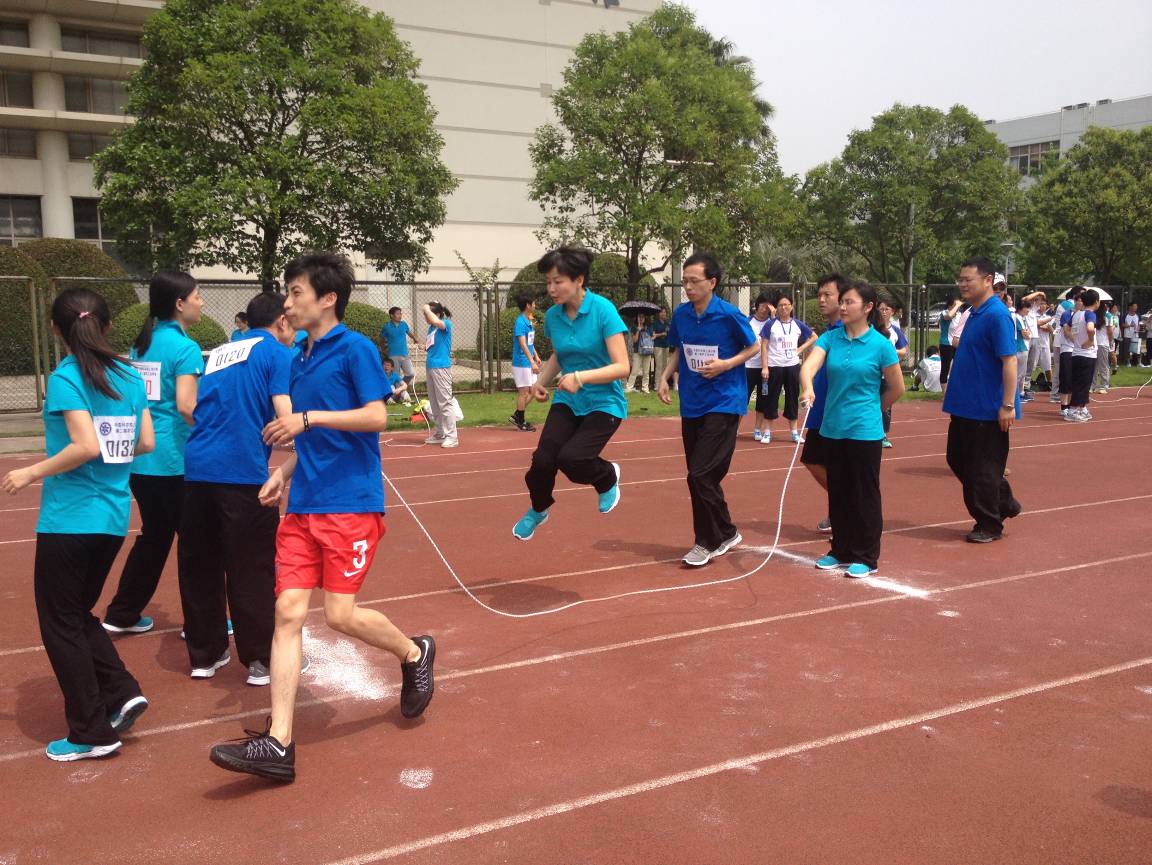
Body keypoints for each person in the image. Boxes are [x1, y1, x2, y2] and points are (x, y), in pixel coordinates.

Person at [209, 252, 434, 783]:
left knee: (339, 615)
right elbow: (310, 438)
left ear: (328, 298)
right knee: (287, 613)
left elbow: (377, 416)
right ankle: (279, 743)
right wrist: (284, 472)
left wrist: (307, 419)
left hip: (350, 504)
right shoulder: (297, 358)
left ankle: (413, 652)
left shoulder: (356, 349)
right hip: (303, 506)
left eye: (296, 293)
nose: (287, 303)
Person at [2, 288, 154, 761]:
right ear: (106, 326)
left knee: (59, 622)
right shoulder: (129, 375)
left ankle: (91, 731)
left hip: (69, 519)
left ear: (56, 330)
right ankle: (121, 691)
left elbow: (85, 445)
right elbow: (146, 442)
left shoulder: (67, 377)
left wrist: (30, 471)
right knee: (75, 614)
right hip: (112, 517)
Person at [177, 291, 297, 686]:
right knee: (252, 566)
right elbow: (284, 410)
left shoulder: (220, 353)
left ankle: (205, 655)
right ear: (281, 321)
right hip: (242, 473)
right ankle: (262, 658)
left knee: (200, 564)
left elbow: (198, 406)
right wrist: (305, 439)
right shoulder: (277, 353)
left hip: (197, 469)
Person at [102, 272, 203, 635]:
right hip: (172, 460)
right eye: (197, 296)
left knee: (155, 537)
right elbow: (187, 407)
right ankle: (201, 625)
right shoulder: (186, 349)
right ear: (179, 303)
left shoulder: (141, 345)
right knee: (195, 543)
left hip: (141, 457)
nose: (201, 302)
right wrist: (221, 430)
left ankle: (122, 613)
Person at [512, 246, 629, 541]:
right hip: (568, 400)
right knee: (542, 462)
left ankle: (607, 477)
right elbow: (560, 355)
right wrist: (541, 382)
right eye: (548, 282)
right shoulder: (553, 316)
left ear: (578, 280)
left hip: (604, 403)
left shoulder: (603, 310)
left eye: (558, 281)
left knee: (573, 460)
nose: (551, 289)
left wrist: (580, 377)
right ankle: (539, 509)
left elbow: (622, 367)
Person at [657, 252, 758, 566]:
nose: (688, 287)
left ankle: (707, 541)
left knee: (700, 473)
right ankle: (724, 532)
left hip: (725, 401)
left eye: (694, 281)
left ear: (712, 282)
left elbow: (754, 346)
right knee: (699, 476)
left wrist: (726, 364)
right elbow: (679, 349)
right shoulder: (682, 315)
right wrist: (664, 376)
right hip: (692, 403)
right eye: (684, 281)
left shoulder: (728, 314)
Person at [799, 280, 903, 577]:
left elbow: (897, 387)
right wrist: (807, 387)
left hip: (864, 431)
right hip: (832, 428)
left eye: (849, 302)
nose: (842, 307)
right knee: (839, 491)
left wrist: (873, 410)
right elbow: (808, 367)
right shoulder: (831, 339)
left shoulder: (881, 345)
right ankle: (840, 549)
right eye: (841, 302)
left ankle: (866, 555)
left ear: (868, 307)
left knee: (864, 493)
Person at [942, 256, 1021, 544]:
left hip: (987, 407)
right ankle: (1003, 500)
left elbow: (1009, 361)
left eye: (968, 280)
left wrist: (1007, 405)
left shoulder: (997, 315)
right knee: (957, 458)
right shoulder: (973, 312)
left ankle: (989, 523)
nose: (962, 284)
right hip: (965, 404)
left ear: (988, 280)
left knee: (983, 469)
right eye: (960, 280)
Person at [799, 274, 846, 534]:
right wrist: (808, 387)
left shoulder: (848, 333)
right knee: (813, 459)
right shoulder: (829, 334)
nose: (821, 299)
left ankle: (845, 507)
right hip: (821, 411)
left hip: (839, 414)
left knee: (834, 465)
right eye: (819, 295)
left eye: (828, 294)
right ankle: (841, 504)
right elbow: (809, 366)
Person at [759, 294, 814, 444]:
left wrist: (800, 348)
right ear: (776, 308)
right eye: (780, 305)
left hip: (792, 366)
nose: (783, 307)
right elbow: (764, 346)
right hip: (775, 366)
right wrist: (765, 367)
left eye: (786, 304)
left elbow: (814, 337)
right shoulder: (770, 325)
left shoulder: (797, 324)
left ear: (792, 306)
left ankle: (794, 433)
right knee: (771, 398)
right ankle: (767, 432)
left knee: (792, 398)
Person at [422, 301, 457, 448]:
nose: (426, 317)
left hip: (441, 367)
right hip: (431, 366)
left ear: (436, 314)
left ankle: (452, 436)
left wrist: (426, 309)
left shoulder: (445, 324)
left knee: (445, 402)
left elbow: (438, 322)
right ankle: (440, 433)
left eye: (428, 314)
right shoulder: (431, 328)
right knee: (435, 403)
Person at [1063, 288, 1100, 422]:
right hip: (1086, 355)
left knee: (1082, 383)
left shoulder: (1077, 314)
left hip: (1077, 353)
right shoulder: (1090, 314)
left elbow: (1067, 327)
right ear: (1096, 302)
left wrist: (1075, 339)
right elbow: (1090, 328)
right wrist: (1090, 340)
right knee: (1082, 384)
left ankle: (1082, 407)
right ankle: (1073, 410)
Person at [877, 297, 908, 448]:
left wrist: (890, 351)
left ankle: (883, 434)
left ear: (892, 312)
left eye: (886, 309)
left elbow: (903, 351)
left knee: (885, 405)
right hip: (873, 374)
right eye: (881, 309)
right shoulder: (871, 328)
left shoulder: (895, 331)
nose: (883, 312)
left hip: (888, 375)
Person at [744, 294, 775, 441]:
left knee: (763, 398)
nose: (765, 309)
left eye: (768, 306)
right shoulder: (748, 321)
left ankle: (757, 429)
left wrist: (774, 316)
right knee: (743, 397)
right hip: (748, 366)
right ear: (757, 306)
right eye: (762, 305)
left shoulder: (772, 323)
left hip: (765, 369)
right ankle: (734, 429)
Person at [509, 293, 541, 431]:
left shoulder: (529, 320)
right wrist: (531, 361)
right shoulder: (520, 322)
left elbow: (529, 342)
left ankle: (517, 415)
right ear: (528, 305)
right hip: (521, 362)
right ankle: (520, 421)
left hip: (528, 360)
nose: (535, 305)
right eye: (533, 303)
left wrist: (536, 356)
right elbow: (522, 343)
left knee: (534, 390)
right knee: (524, 392)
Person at [1055, 287, 1085, 413]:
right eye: (1080, 300)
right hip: (1067, 349)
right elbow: (1067, 332)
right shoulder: (1067, 314)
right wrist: (1078, 342)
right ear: (1075, 301)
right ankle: (1064, 406)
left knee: (1077, 379)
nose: (1082, 303)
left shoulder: (1084, 315)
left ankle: (1075, 405)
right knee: (1066, 378)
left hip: (1079, 351)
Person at [379, 307, 418, 402]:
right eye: (397, 314)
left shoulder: (404, 324)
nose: (400, 315)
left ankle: (401, 391)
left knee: (410, 373)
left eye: (400, 313)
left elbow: (409, 333)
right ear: (391, 315)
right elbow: (382, 340)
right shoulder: (387, 327)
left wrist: (415, 338)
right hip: (393, 355)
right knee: (396, 376)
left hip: (405, 354)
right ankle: (397, 397)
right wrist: (383, 350)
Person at [625, 312, 655, 393]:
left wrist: (651, 337)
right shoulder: (634, 328)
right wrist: (638, 330)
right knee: (634, 370)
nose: (641, 319)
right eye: (639, 317)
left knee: (646, 371)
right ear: (637, 318)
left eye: (642, 317)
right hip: (637, 351)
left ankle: (645, 388)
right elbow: (634, 340)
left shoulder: (648, 328)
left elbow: (653, 337)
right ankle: (629, 387)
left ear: (644, 318)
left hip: (647, 351)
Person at [938, 292, 963, 389]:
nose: (958, 307)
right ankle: (944, 393)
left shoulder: (960, 315)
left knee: (958, 367)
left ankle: (955, 390)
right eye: (954, 304)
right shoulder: (944, 313)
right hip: (946, 344)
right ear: (949, 305)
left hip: (957, 344)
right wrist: (956, 305)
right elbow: (948, 316)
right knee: (945, 368)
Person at [1011, 299, 1032, 403]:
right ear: (1021, 308)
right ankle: (1015, 396)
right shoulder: (1017, 318)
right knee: (1019, 374)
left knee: (1020, 374)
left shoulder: (1021, 318)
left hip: (1020, 347)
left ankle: (1019, 393)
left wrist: (1028, 334)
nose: (1028, 310)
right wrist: (1028, 334)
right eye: (1027, 308)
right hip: (1020, 347)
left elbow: (1028, 333)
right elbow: (1026, 334)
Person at [1092, 299, 1114, 393]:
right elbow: (1110, 331)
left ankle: (1092, 386)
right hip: (1103, 343)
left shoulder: (1093, 314)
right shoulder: (1108, 315)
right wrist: (1111, 341)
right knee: (1103, 365)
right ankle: (1103, 386)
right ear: (1105, 305)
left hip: (1094, 342)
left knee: (1094, 366)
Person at [651, 307, 672, 391]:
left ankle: (663, 384)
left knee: (664, 366)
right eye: (662, 312)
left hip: (666, 345)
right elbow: (653, 335)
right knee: (659, 366)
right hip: (658, 346)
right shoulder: (655, 323)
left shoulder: (668, 323)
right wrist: (661, 334)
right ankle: (657, 385)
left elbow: (671, 333)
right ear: (659, 314)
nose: (663, 313)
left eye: (664, 312)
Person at [1121, 302, 1140, 367]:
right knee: (1127, 349)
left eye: (1136, 306)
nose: (1136, 308)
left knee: (1137, 349)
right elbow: (1122, 324)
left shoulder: (1138, 315)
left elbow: (1139, 324)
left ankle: (1138, 363)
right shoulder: (1125, 315)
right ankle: (1128, 362)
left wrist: (1139, 328)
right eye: (1134, 306)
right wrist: (1129, 325)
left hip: (1136, 335)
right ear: (1130, 307)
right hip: (1127, 335)